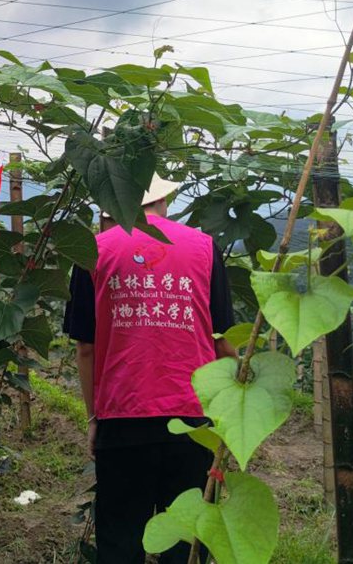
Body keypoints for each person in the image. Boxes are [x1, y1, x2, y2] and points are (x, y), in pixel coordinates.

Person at [63, 175, 236, 564]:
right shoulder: (205, 248)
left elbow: (86, 347)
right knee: (186, 541)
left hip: (122, 416)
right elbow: (221, 340)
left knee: (120, 539)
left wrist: (95, 417)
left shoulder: (92, 249)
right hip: (193, 417)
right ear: (166, 199)